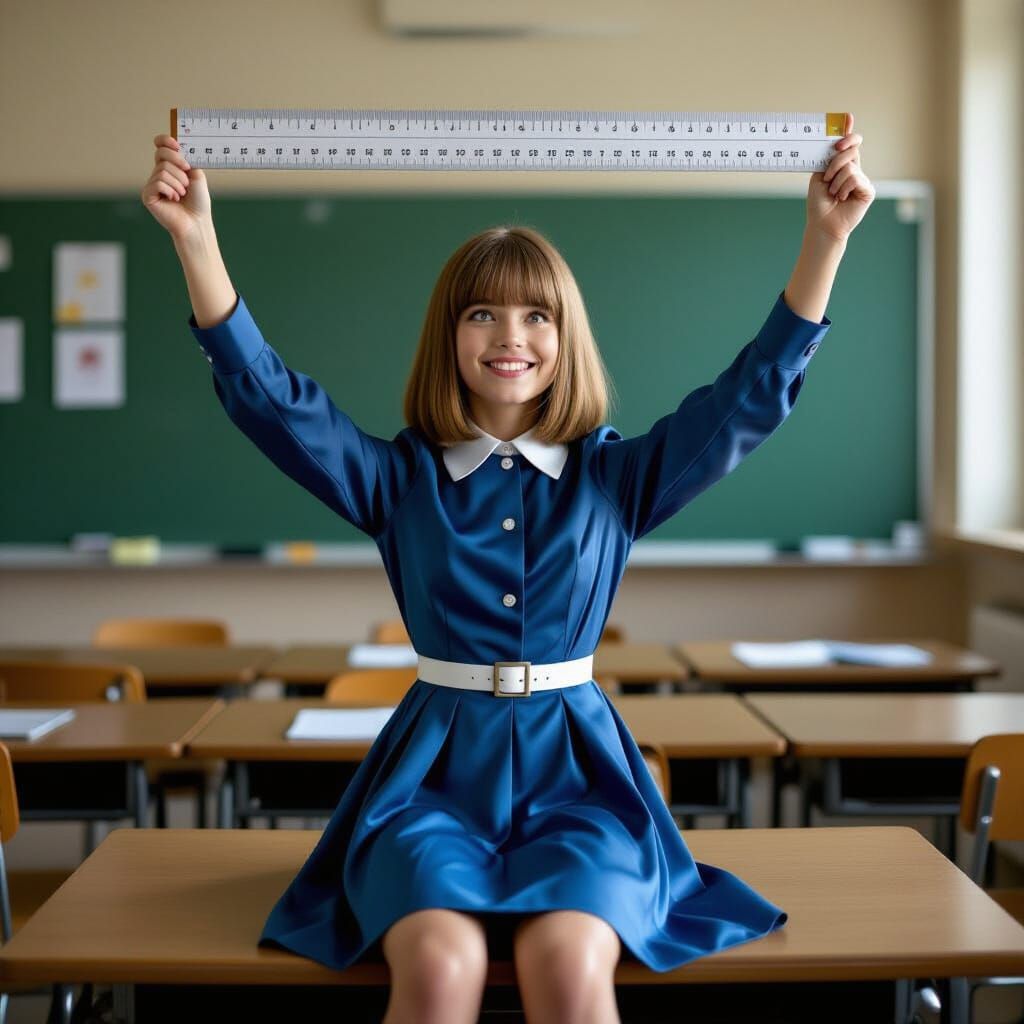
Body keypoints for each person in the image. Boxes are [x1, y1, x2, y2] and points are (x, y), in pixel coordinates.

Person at [142, 113, 874, 1024]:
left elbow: (748, 399)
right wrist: (197, 240)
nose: (509, 334)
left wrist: (826, 239)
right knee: (441, 966)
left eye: (537, 314)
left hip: (581, 783)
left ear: (566, 337)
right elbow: (272, 400)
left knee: (570, 967)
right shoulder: (398, 479)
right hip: (431, 786)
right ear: (449, 335)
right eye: (481, 312)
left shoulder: (616, 479)